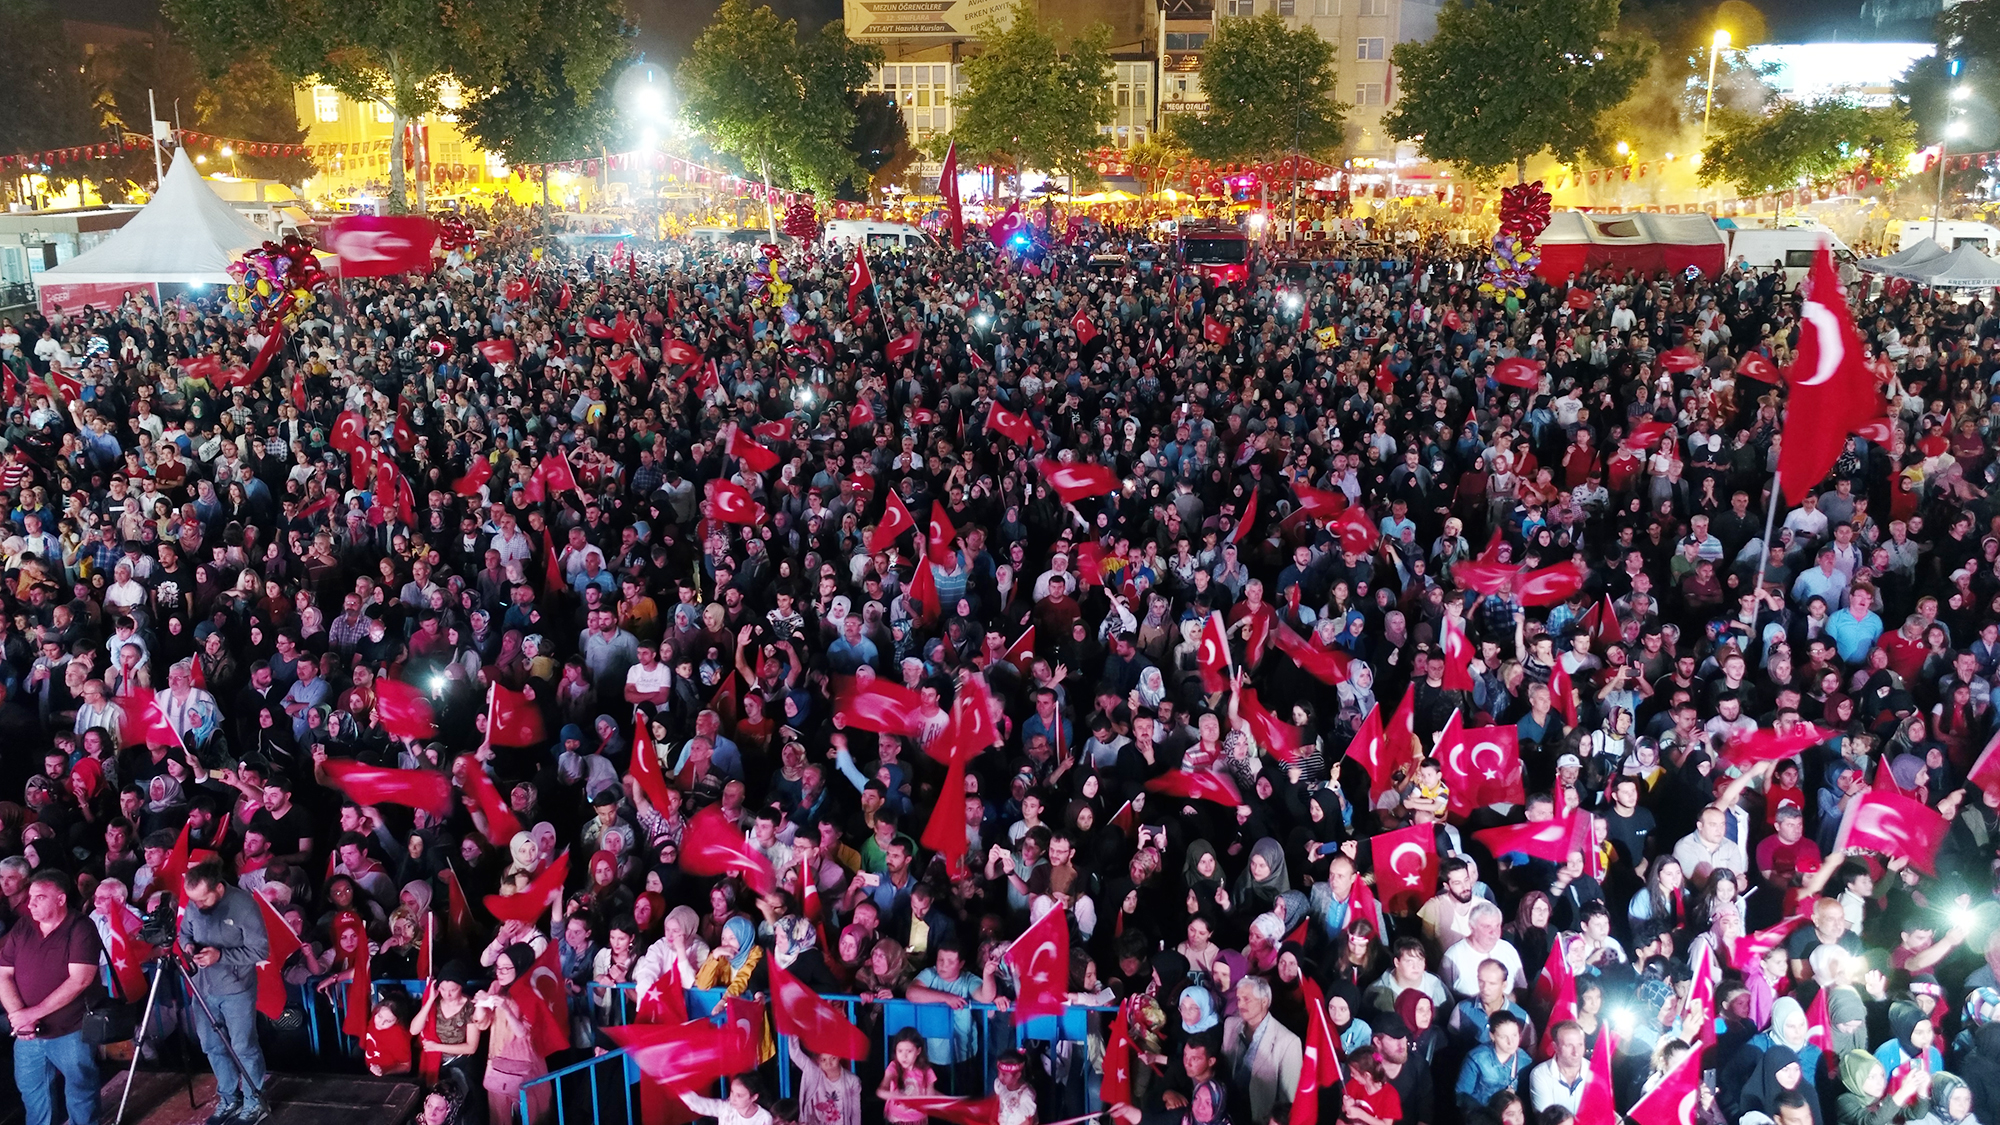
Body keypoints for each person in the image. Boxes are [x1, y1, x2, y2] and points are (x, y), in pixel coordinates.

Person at [0, 871, 103, 1125]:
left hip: (71, 1029)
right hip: (27, 1032)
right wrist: (19, 1017)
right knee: (32, 1093)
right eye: (31, 897)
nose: (31, 903)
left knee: (80, 1090)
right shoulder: (23, 926)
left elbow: (80, 980)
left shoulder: (80, 928)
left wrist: (29, 1014)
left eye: (40, 897)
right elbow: (3, 974)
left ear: (60, 899)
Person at [180, 861, 271, 1125]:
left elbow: (260, 951)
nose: (197, 905)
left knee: (243, 1046)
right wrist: (187, 945)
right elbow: (184, 931)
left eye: (202, 899)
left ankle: (256, 1101)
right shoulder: (195, 906)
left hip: (235, 989)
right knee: (211, 1045)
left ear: (219, 888)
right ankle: (229, 1097)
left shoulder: (244, 906)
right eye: (193, 900)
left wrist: (220, 956)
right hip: (202, 987)